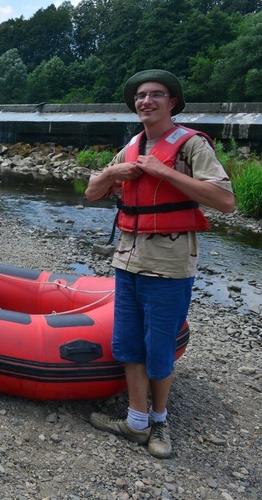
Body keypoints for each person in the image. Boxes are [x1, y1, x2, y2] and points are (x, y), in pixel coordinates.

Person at [85, 69, 235, 458]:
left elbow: (225, 201)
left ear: (172, 102)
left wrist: (163, 170)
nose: (145, 101)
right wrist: (112, 173)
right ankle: (136, 423)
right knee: (128, 344)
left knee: (159, 348)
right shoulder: (131, 146)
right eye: (139, 96)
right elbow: (91, 192)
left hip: (168, 265)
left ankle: (159, 421)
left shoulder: (191, 146)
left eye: (155, 95)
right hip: (127, 260)